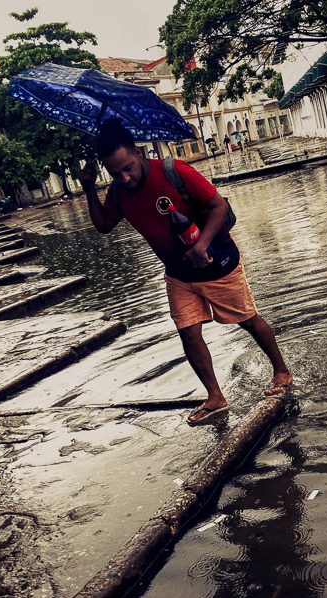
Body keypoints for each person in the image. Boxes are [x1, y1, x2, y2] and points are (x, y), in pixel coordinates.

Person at [78, 119, 292, 424]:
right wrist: (88, 187)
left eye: (128, 167)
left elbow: (218, 206)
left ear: (138, 153)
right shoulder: (117, 193)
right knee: (188, 334)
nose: (124, 177)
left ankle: (282, 371)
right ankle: (215, 397)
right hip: (178, 274)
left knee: (247, 319)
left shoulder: (175, 171)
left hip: (216, 263)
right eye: (115, 173)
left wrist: (201, 245)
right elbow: (102, 226)